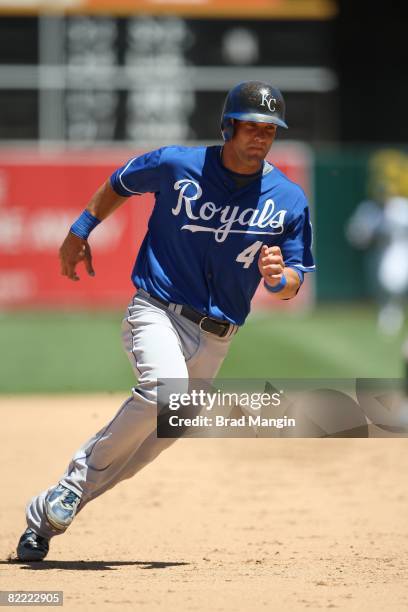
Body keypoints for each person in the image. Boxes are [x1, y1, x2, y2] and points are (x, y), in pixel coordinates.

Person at [16, 80, 315, 561]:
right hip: (158, 310)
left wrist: (279, 281)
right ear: (228, 126)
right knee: (164, 390)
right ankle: (71, 487)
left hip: (219, 337)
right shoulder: (178, 164)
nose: (261, 137)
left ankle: (49, 515)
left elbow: (294, 278)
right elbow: (121, 181)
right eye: (252, 126)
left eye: (270, 129)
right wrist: (79, 230)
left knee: (150, 446)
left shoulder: (288, 197)